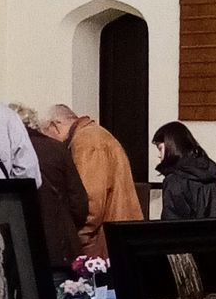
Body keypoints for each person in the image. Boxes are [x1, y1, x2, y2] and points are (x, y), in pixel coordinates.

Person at [42, 104, 142, 258]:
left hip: (105, 243)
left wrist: (76, 240)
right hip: (118, 236)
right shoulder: (94, 136)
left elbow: (91, 200)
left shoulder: (87, 141)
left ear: (54, 125)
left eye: (46, 133)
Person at [13, 107, 84, 275]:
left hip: (22, 243)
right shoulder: (57, 148)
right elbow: (79, 200)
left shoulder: (9, 152)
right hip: (60, 242)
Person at [151, 121, 216, 221]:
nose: (159, 155)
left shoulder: (174, 181)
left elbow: (172, 223)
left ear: (172, 146)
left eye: (160, 148)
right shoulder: (211, 170)